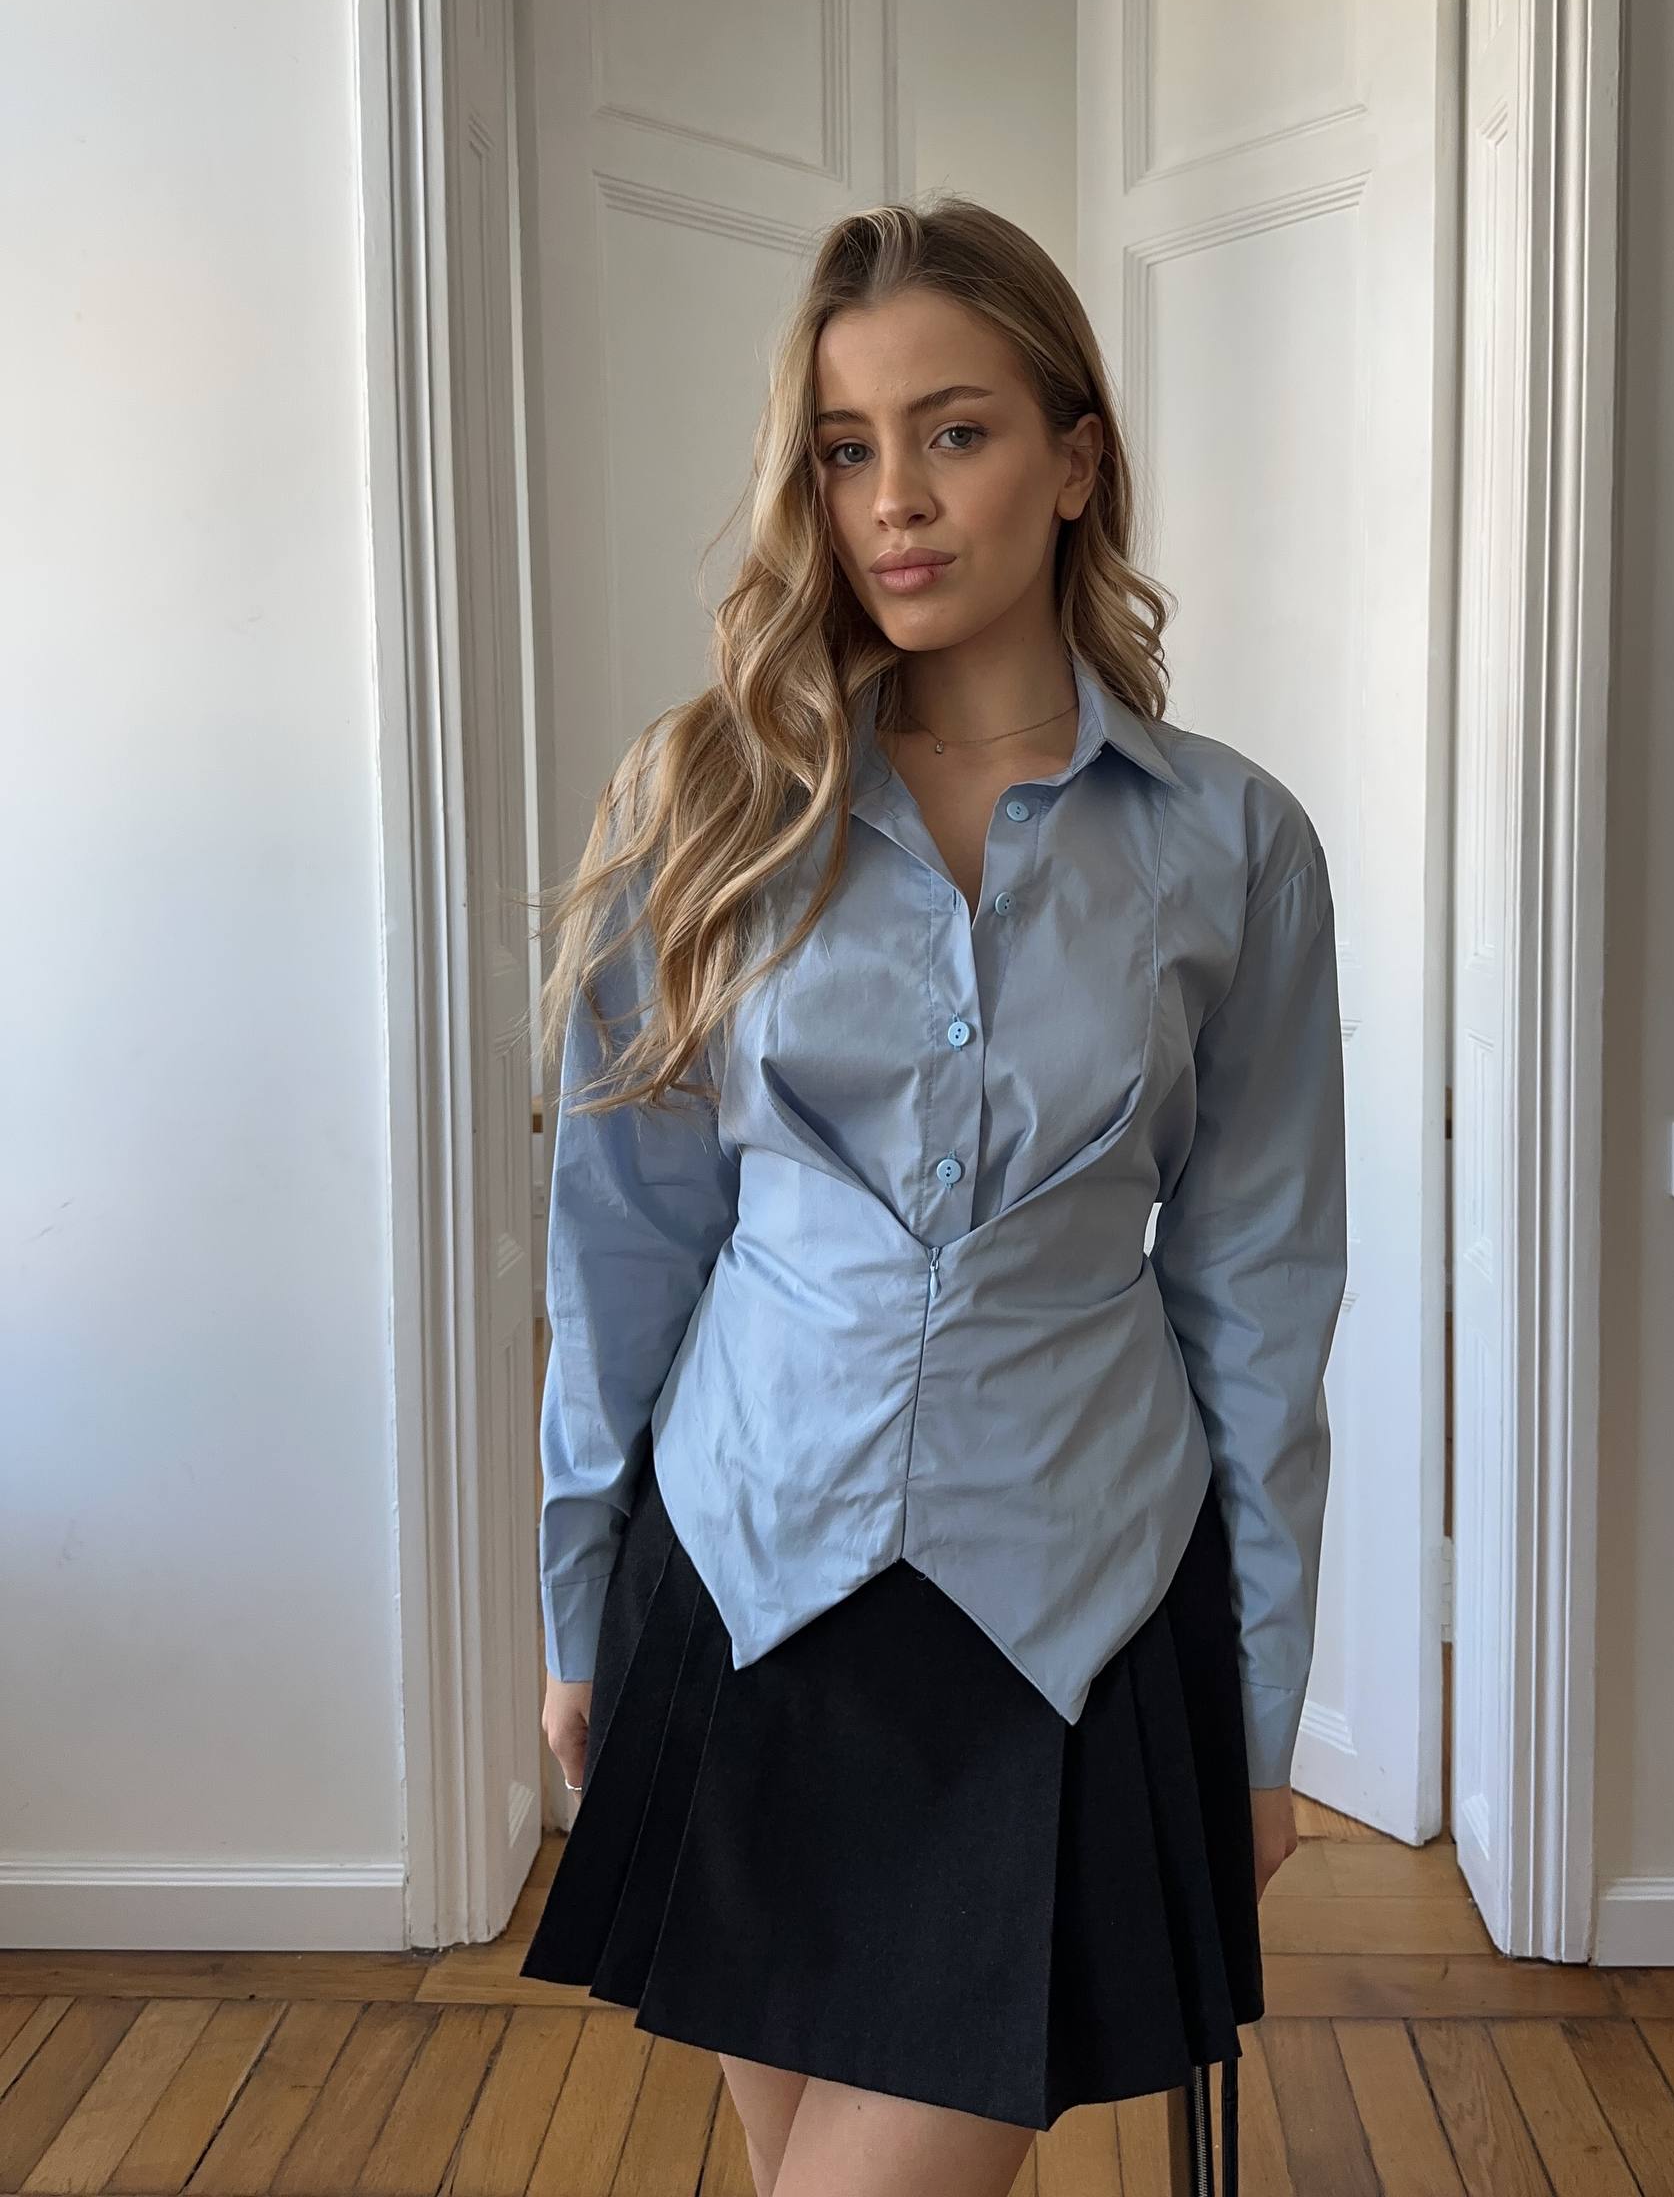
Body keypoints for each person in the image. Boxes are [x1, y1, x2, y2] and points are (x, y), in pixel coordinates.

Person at [517, 196, 1347, 2197]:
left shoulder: (1234, 845)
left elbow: (1259, 1300)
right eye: (842, 446)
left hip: (1073, 1612)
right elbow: (625, 1241)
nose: (892, 497)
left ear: (1073, 459)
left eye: (954, 431)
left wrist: (1260, 1712)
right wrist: (574, 1605)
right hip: (742, 1577)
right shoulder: (704, 807)